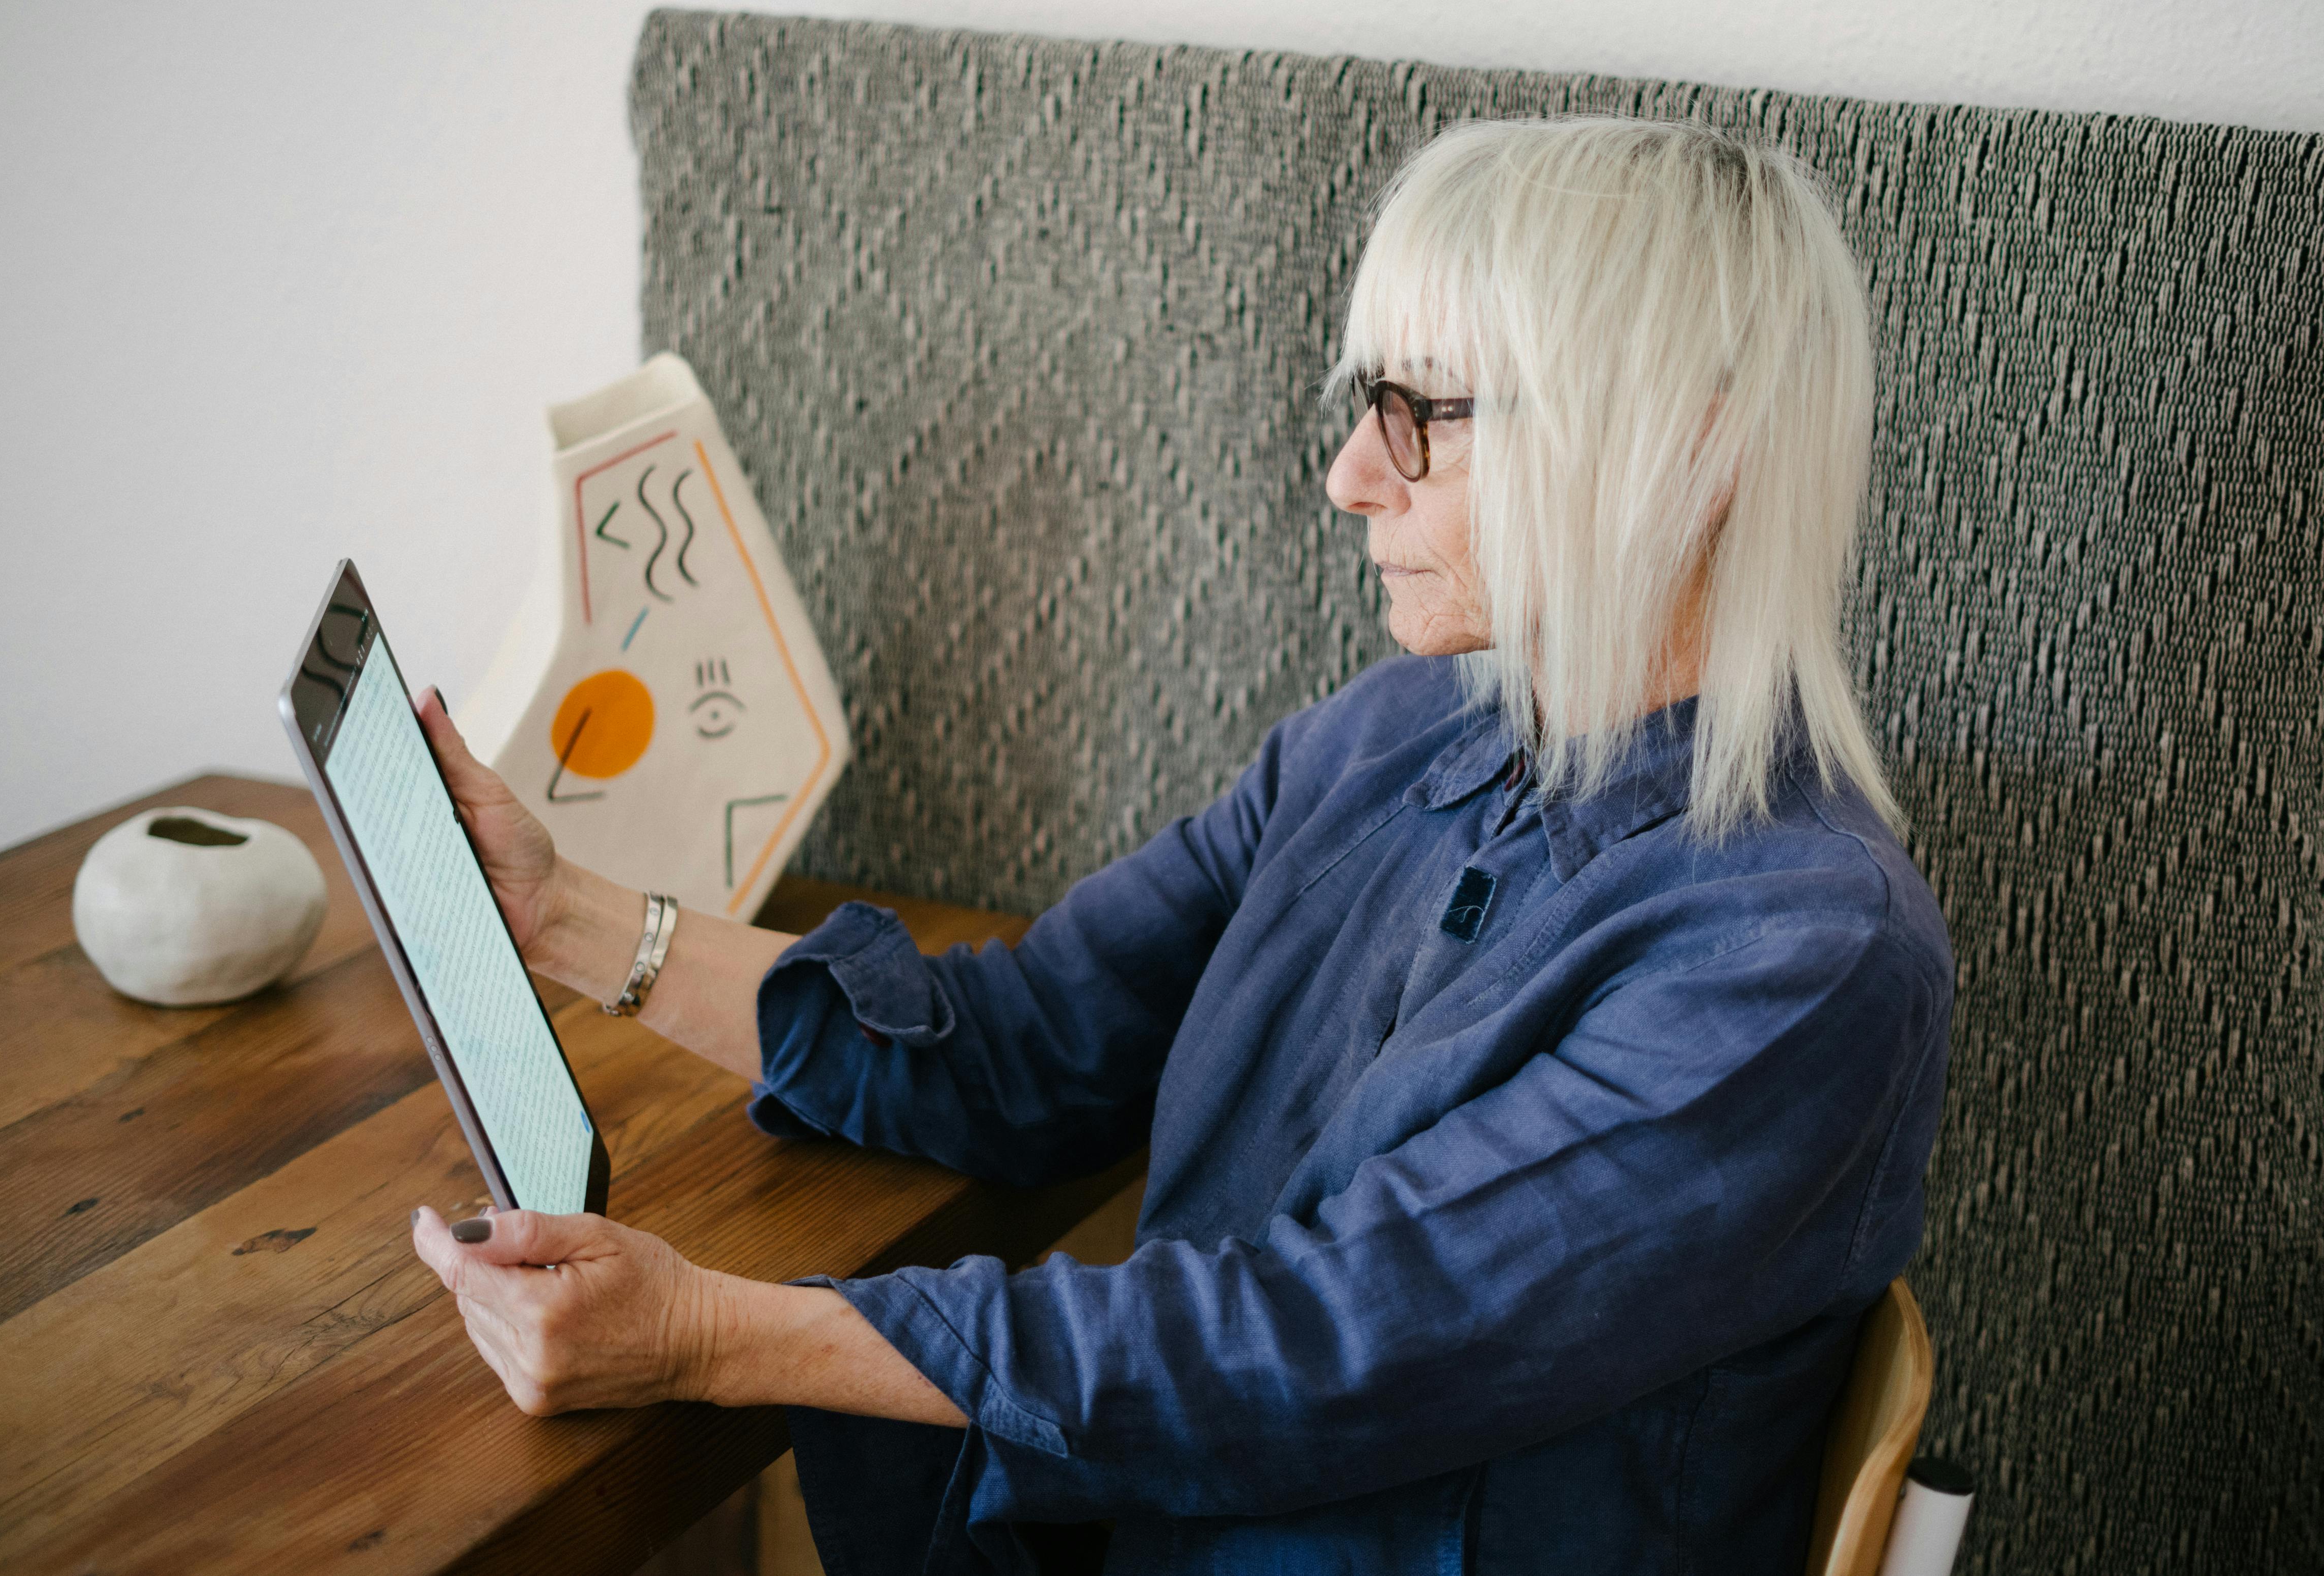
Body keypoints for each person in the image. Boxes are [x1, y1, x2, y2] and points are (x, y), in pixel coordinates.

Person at [411, 115, 1954, 1575]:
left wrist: (716, 1338)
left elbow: (1316, 1345)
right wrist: (559, 915)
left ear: (1687, 454)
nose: (1352, 474)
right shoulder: (1392, 736)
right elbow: (1026, 1043)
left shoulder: (1799, 960)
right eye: (1368, 407)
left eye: (1425, 418)